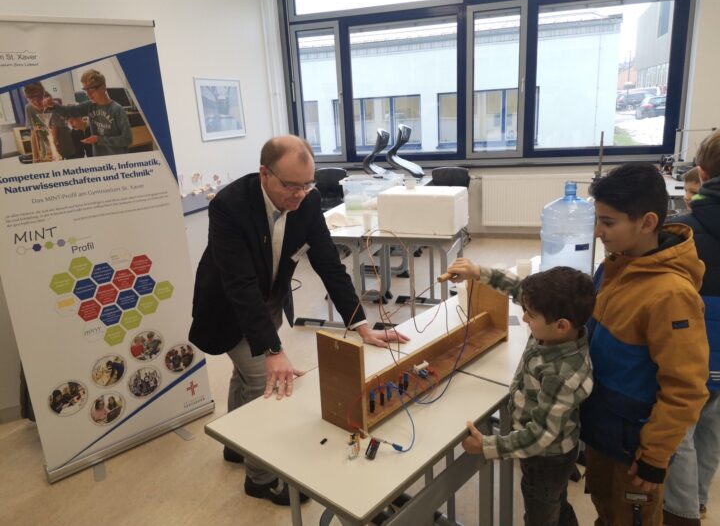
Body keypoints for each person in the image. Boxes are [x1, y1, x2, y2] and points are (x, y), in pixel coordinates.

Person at [189, 134, 409, 506]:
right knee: (265, 381)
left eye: (307, 184)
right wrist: (273, 350)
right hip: (229, 305)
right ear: (264, 174)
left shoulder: (307, 201)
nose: (301, 194)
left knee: (246, 374)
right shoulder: (229, 205)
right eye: (291, 185)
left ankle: (235, 444)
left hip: (269, 298)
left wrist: (361, 325)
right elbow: (240, 285)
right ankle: (260, 478)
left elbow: (329, 265)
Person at [579, 163, 710, 525]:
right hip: (605, 429)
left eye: (608, 223)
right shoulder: (616, 266)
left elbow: (686, 388)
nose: (598, 232)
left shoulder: (671, 295)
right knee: (607, 508)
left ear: (647, 222)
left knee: (632, 516)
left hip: (636, 447)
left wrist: (654, 456)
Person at [448, 262, 594, 526]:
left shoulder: (561, 373)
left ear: (561, 325)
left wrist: (487, 446)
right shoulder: (555, 333)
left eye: (530, 315)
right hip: (548, 450)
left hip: (547, 459)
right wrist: (478, 272)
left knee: (541, 514)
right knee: (556, 502)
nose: (524, 318)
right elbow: (519, 288)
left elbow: (539, 436)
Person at [663, 131, 720, 525]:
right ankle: (698, 500)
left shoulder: (681, 233)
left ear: (700, 173)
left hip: (693, 341)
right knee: (712, 427)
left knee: (681, 428)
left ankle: (681, 513)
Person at [48, 69, 132, 156]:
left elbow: (127, 139)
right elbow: (70, 111)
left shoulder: (117, 110)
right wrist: (53, 105)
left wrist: (99, 139)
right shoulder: (90, 105)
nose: (88, 94)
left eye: (91, 89)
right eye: (86, 90)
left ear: (103, 87)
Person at [23, 82, 73, 162]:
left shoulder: (52, 105)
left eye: (39, 97)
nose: (36, 102)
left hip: (62, 142)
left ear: (43, 94)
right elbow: (34, 134)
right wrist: (35, 158)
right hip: (45, 144)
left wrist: (50, 154)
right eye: (31, 99)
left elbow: (54, 132)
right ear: (27, 98)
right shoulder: (28, 108)